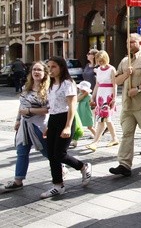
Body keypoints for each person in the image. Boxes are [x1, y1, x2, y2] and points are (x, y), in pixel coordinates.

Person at [109, 33, 141, 177]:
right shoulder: (125, 61)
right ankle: (124, 164)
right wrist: (125, 74)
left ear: (140, 43)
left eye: (132, 42)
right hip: (128, 105)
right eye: (127, 43)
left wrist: (137, 89)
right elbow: (117, 81)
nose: (129, 45)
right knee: (126, 134)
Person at [42, 56, 92, 199]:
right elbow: (51, 107)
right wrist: (47, 125)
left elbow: (71, 106)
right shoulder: (51, 84)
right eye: (49, 67)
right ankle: (58, 185)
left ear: (61, 67)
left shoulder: (68, 83)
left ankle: (83, 166)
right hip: (53, 119)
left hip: (65, 118)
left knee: (60, 153)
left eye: (54, 67)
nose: (50, 70)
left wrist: (68, 126)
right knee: (52, 155)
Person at [2, 62, 52, 192]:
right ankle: (18, 180)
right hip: (24, 125)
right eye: (34, 69)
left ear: (45, 73)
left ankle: (60, 167)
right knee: (22, 152)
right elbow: (22, 105)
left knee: (47, 152)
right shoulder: (26, 87)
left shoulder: (48, 90)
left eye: (39, 70)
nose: (36, 72)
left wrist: (30, 111)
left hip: (38, 126)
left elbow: (48, 109)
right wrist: (18, 120)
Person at [86, 50, 119, 151]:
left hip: (108, 94)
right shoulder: (98, 70)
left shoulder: (112, 69)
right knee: (106, 119)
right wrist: (93, 96)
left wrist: (114, 98)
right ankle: (114, 138)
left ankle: (95, 142)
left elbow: (115, 84)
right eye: (98, 61)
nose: (100, 63)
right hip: (101, 94)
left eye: (101, 60)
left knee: (103, 119)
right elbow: (97, 84)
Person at [72, 81, 96, 148]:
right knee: (77, 127)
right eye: (80, 89)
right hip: (80, 112)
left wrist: (92, 103)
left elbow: (92, 103)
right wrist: (83, 95)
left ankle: (97, 137)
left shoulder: (90, 96)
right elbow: (77, 100)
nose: (81, 90)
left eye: (83, 89)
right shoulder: (80, 95)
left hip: (87, 113)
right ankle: (75, 141)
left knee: (90, 127)